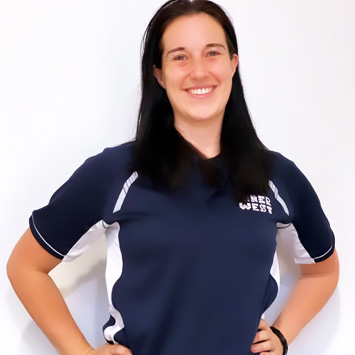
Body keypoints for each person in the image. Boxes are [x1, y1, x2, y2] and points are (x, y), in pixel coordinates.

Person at [7, 0, 339, 354]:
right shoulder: (116, 174)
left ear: (233, 64)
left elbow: (323, 272)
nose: (199, 71)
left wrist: (283, 336)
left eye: (212, 53)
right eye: (180, 57)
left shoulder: (278, 177)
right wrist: (80, 352)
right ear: (159, 74)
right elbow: (25, 266)